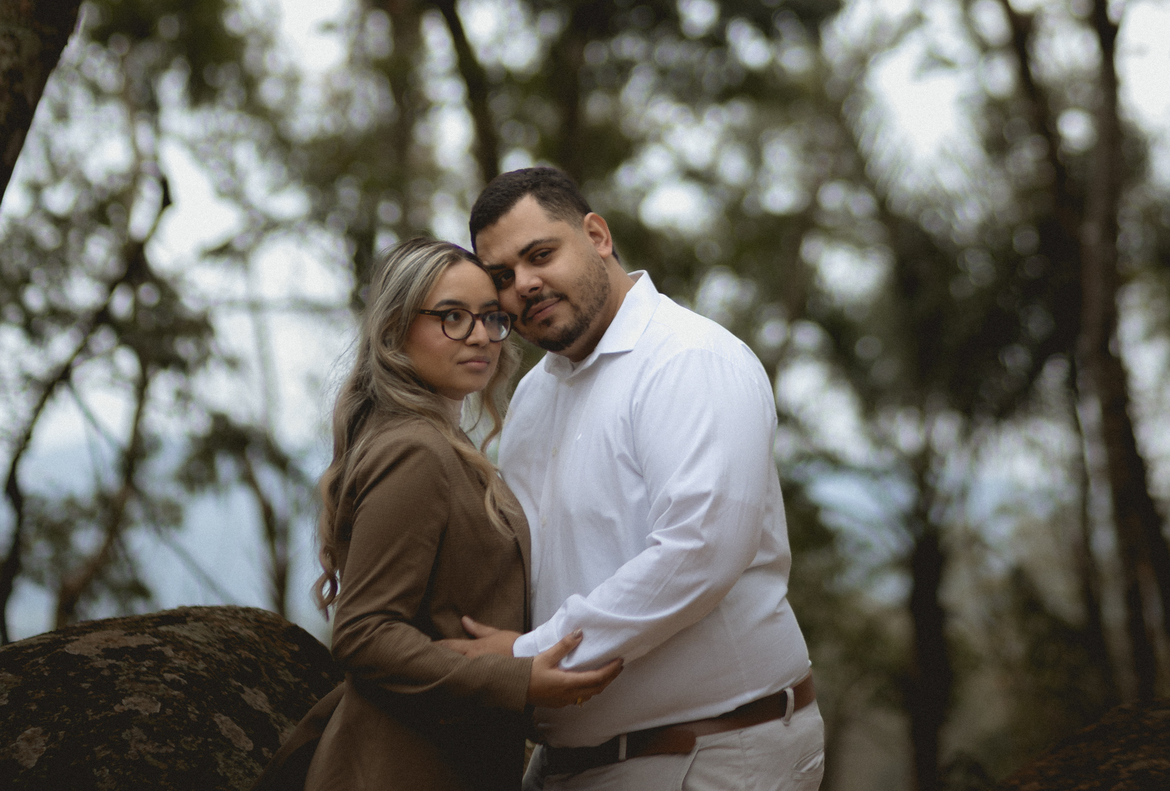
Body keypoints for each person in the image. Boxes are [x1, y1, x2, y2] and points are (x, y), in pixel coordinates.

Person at [448, 166, 824, 791]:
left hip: (708, 754)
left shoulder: (687, 358)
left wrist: (524, 659)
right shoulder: (535, 394)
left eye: (541, 255)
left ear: (597, 236)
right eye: (503, 277)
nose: (526, 285)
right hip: (572, 764)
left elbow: (698, 552)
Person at [254, 235, 621, 791]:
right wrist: (517, 678)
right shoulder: (415, 450)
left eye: (492, 317)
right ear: (396, 331)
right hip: (397, 765)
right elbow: (362, 633)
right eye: (452, 317)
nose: (480, 336)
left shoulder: (436, 443)